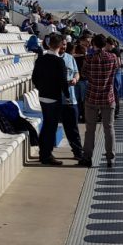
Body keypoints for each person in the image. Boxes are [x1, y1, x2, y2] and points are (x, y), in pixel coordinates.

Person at [31, 33, 71, 166]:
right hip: (54, 97)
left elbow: (34, 78)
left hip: (42, 96)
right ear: (59, 45)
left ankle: (44, 153)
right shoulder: (59, 61)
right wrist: (67, 95)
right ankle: (46, 155)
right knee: (51, 126)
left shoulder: (40, 59)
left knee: (46, 125)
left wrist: (42, 87)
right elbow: (63, 81)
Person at [81, 36, 121, 168]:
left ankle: (87, 157)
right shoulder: (112, 58)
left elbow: (84, 74)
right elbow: (115, 70)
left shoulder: (88, 58)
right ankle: (111, 159)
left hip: (92, 97)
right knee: (109, 129)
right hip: (108, 98)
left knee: (90, 130)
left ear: (93, 44)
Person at [57, 38, 85, 164]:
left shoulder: (70, 58)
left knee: (73, 127)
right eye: (62, 44)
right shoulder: (51, 59)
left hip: (71, 99)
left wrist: (75, 79)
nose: (64, 46)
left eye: (65, 44)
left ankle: (78, 152)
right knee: (56, 127)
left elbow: (77, 73)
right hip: (57, 99)